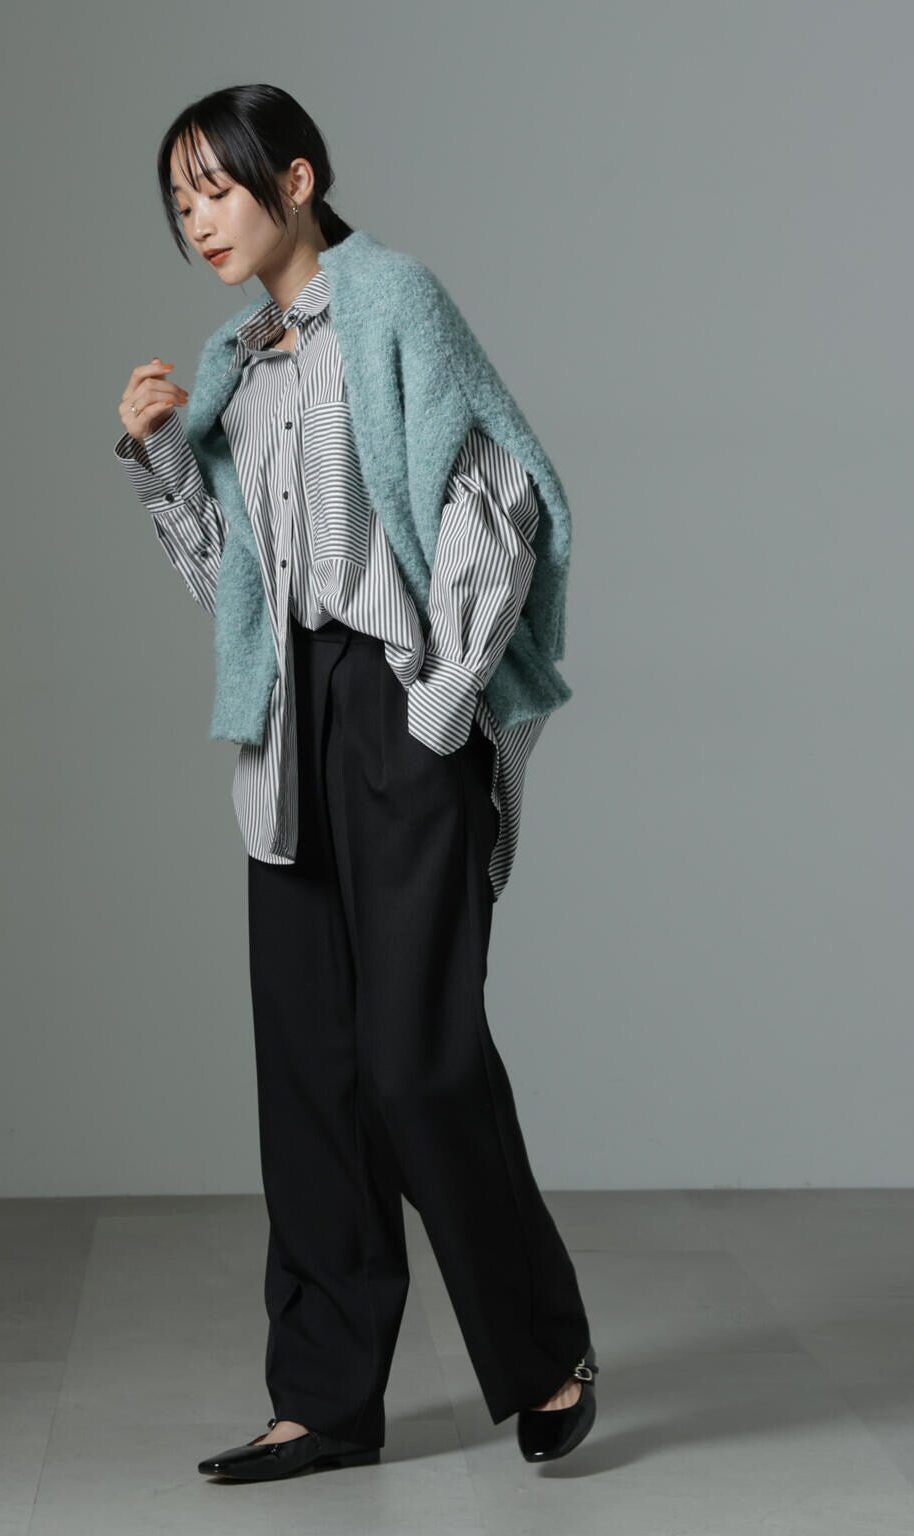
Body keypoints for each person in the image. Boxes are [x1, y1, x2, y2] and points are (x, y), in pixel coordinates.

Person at [112, 83, 597, 1482]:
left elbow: (500, 492)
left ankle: (544, 1350)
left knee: (415, 1058)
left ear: (298, 178)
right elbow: (235, 588)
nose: (199, 219)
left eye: (217, 187)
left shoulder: (393, 300)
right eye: (181, 201)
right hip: (289, 716)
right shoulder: (236, 362)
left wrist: (440, 705)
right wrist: (160, 458)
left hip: (398, 698)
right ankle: (324, 1398)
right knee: (309, 1068)